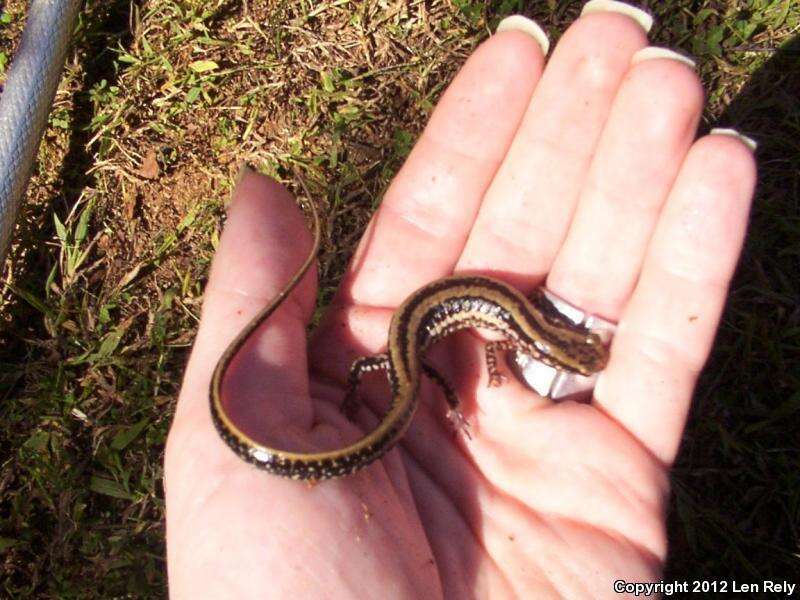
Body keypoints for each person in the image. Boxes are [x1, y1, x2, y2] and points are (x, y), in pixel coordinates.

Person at [164, 3, 756, 597]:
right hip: (415, 331)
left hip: (417, 331)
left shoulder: (520, 325)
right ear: (554, 349)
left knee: (396, 374)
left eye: (578, 354)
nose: (581, 352)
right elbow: (494, 341)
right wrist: (484, 372)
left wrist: (464, 376)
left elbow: (493, 336)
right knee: (403, 374)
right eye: (577, 356)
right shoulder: (515, 329)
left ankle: (375, 391)